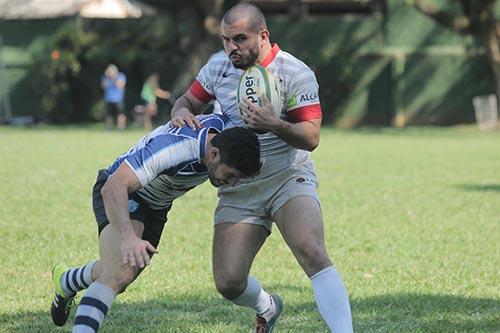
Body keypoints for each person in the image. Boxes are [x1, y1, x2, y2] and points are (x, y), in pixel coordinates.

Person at [169, 3, 353, 333]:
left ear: (263, 35)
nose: (230, 48)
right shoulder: (217, 68)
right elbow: (186, 101)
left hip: (287, 177)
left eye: (239, 39)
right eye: (225, 39)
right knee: (228, 282)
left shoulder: (295, 73)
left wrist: (274, 124)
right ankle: (267, 305)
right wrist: (179, 112)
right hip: (238, 186)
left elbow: (311, 138)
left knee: (311, 250)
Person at [49, 113, 261, 332]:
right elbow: (113, 187)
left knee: (119, 271)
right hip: (123, 193)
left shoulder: (227, 134)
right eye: (230, 174)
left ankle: (65, 281)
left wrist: (182, 106)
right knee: (118, 274)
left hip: (157, 207)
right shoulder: (175, 149)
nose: (231, 183)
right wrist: (128, 238)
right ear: (214, 153)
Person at [101, 64, 127, 130]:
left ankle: (121, 129)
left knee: (120, 114)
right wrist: (107, 77)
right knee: (109, 115)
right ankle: (109, 129)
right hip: (109, 99)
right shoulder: (106, 78)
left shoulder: (121, 76)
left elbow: (120, 85)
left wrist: (114, 77)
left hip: (119, 99)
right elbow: (103, 86)